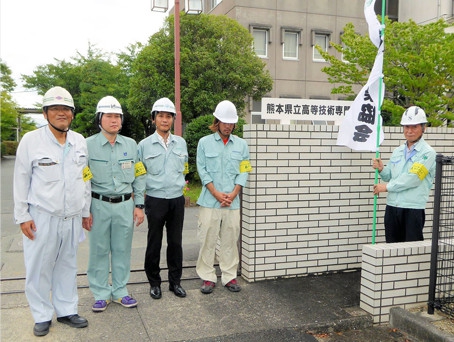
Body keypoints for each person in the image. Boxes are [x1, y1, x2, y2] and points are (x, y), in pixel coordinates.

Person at [13, 86, 91, 337]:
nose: (62, 113)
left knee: (67, 265)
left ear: (72, 114)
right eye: (55, 109)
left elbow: (85, 178)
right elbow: (21, 179)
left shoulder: (79, 141)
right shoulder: (31, 141)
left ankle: (67, 310)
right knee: (39, 266)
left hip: (71, 216)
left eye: (66, 109)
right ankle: (42, 314)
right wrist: (22, 215)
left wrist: (85, 211)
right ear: (45, 113)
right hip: (42, 216)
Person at [85, 96, 146, 312]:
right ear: (100, 119)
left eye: (117, 116)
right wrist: (85, 210)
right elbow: (83, 180)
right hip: (98, 205)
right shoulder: (87, 145)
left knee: (122, 250)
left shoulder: (131, 144)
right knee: (98, 251)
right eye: (109, 116)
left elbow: (139, 175)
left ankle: (120, 291)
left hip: (124, 205)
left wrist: (139, 205)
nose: (114, 120)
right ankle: (101, 293)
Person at [196, 100, 252, 294]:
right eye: (224, 122)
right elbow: (202, 170)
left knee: (230, 240)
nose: (228, 126)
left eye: (231, 122)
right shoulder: (204, 143)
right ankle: (208, 277)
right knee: (207, 239)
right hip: (210, 200)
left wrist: (235, 193)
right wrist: (216, 193)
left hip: (232, 201)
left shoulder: (242, 145)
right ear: (217, 121)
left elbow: (244, 170)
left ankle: (229, 276)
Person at [138, 97, 189, 299]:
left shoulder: (181, 143)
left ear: (173, 119)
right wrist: (140, 204)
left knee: (176, 242)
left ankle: (175, 282)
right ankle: (154, 283)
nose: (165, 120)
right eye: (160, 115)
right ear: (154, 119)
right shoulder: (143, 145)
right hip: (155, 199)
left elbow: (184, 169)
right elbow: (139, 175)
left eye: (168, 116)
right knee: (154, 242)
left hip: (177, 199)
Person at [372, 106, 436, 243]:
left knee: (411, 250)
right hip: (392, 207)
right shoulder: (398, 151)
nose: (409, 131)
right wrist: (382, 169)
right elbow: (390, 176)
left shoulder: (428, 153)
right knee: (391, 247)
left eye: (414, 127)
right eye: (406, 127)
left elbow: (413, 179)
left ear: (423, 128)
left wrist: (386, 187)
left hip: (413, 209)